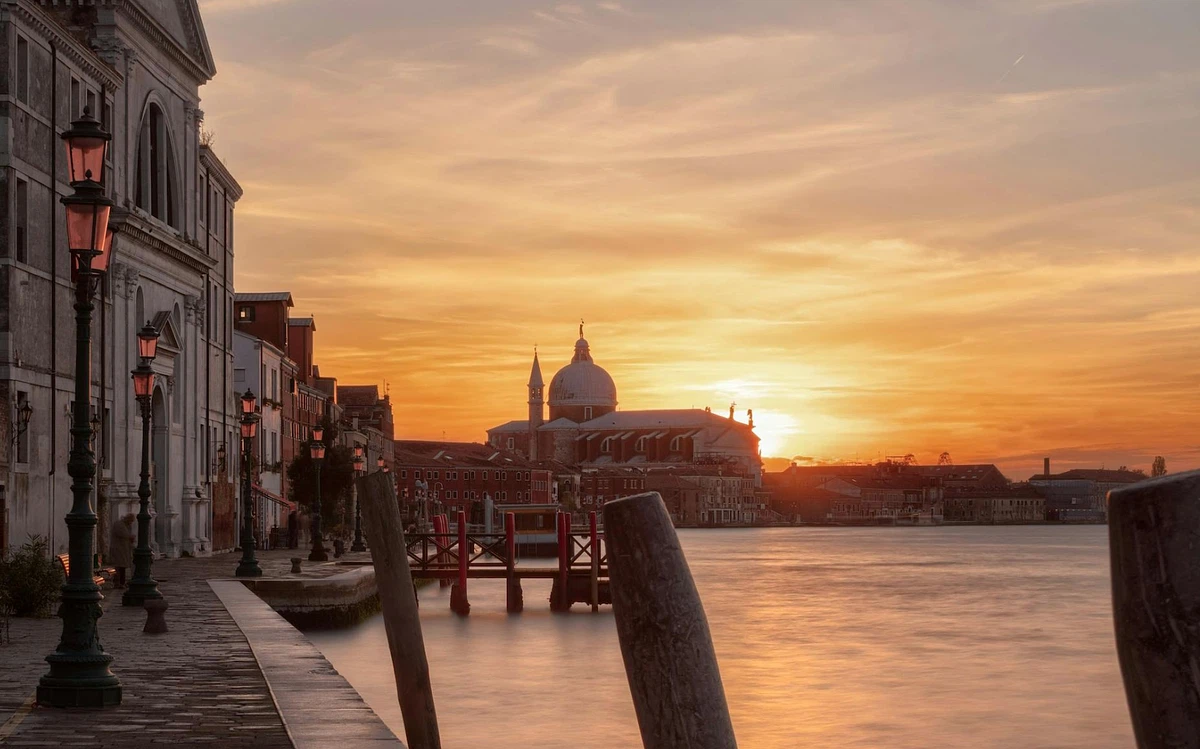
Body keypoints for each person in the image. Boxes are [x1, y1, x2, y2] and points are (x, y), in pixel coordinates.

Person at [108, 513, 136, 588]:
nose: (131, 522)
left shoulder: (126, 525)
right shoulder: (119, 524)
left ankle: (121, 582)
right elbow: (124, 535)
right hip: (118, 549)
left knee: (122, 567)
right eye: (131, 520)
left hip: (123, 549)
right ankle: (119, 583)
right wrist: (130, 537)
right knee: (119, 567)